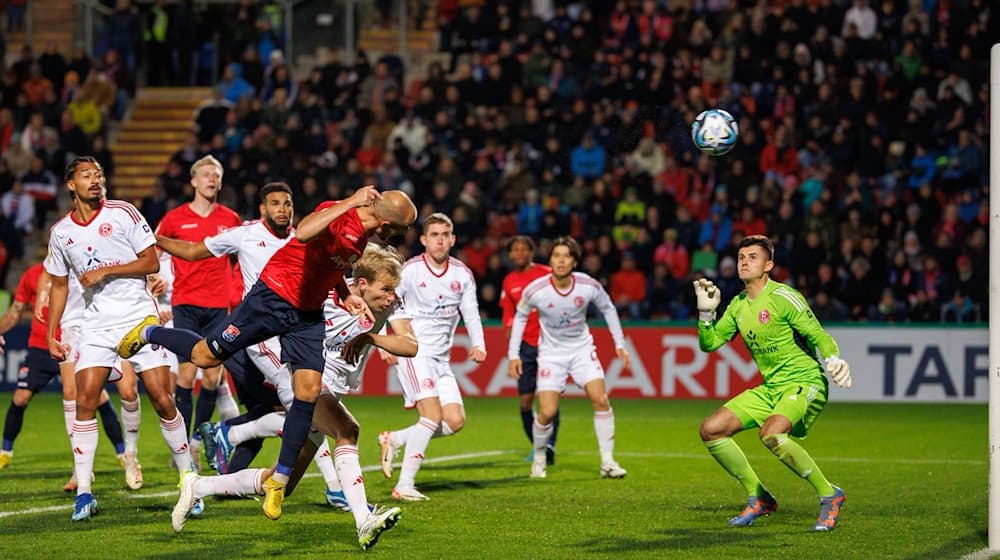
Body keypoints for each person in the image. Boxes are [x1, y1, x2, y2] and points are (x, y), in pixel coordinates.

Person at [120, 185, 417, 520]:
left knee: (305, 392)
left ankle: (277, 480)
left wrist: (344, 293)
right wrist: (350, 201)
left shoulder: (361, 239)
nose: (400, 236)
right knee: (204, 357)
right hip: (272, 298)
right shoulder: (338, 212)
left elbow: (327, 267)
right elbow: (303, 234)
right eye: (401, 229)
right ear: (386, 223)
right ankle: (149, 331)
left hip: (307, 314)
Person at [171, 244, 412, 550]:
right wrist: (281, 371)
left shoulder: (391, 304)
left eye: (394, 290)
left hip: (331, 386)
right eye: (386, 289)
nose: (392, 296)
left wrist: (372, 338)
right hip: (301, 376)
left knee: (282, 485)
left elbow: (410, 345)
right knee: (347, 430)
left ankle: (199, 485)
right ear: (361, 284)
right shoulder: (324, 296)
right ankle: (364, 519)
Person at [158, 181, 349, 509]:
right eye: (275, 203)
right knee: (302, 402)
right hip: (258, 333)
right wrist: (151, 240)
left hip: (293, 331)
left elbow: (326, 271)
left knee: (287, 408)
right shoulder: (243, 234)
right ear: (263, 208)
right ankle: (334, 487)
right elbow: (192, 251)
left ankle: (221, 450)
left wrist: (344, 291)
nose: (282, 209)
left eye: (287, 203)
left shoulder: (302, 236)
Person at [44, 156, 194, 522]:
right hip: (96, 325)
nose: (95, 180)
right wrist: (52, 332)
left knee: (161, 398)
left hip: (137, 317)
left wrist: (108, 270)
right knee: (85, 400)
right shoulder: (61, 233)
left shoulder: (123, 212)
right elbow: (60, 284)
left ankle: (190, 480)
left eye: (99, 175)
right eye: (86, 175)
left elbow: (150, 262)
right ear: (70, 185)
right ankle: (84, 493)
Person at [694, 234, 851, 531]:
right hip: (771, 388)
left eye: (752, 257)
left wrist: (833, 358)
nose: (744, 262)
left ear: (769, 265)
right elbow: (711, 343)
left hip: (805, 380)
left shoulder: (783, 297)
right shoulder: (739, 305)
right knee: (711, 430)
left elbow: (819, 335)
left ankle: (830, 495)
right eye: (741, 257)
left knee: (772, 434)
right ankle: (759, 497)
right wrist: (705, 314)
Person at [377, 213, 486, 501]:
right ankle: (405, 485)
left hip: (441, 359)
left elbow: (471, 312)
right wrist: (385, 344)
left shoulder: (462, 274)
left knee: (454, 420)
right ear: (423, 240)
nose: (439, 240)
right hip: (414, 352)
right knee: (432, 415)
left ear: (453, 239)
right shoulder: (410, 271)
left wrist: (479, 343)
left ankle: (396, 439)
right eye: (434, 235)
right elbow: (384, 303)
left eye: (445, 235)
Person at [507, 236, 630, 480]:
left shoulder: (588, 285)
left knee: (601, 400)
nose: (561, 261)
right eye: (556, 256)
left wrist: (620, 344)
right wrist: (513, 355)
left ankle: (607, 462)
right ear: (550, 260)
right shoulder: (536, 290)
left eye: (566, 256)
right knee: (547, 412)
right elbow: (520, 317)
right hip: (552, 355)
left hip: (582, 350)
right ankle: (540, 457)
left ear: (574, 262)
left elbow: (608, 308)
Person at [0, 262, 128, 483]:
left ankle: (122, 453)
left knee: (95, 397)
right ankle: (5, 452)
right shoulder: (32, 275)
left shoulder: (78, 270)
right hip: (41, 347)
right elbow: (16, 311)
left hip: (70, 342)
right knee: (20, 397)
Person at [154, 155, 242, 468]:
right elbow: (154, 249)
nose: (211, 179)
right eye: (205, 174)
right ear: (193, 181)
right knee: (188, 375)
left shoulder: (230, 218)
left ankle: (194, 442)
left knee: (212, 379)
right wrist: (158, 281)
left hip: (219, 306)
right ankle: (181, 448)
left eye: (216, 175)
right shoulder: (175, 218)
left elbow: (241, 259)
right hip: (186, 303)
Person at [499, 235, 559, 464]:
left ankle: (549, 446)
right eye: (516, 250)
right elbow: (508, 312)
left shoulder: (546, 273)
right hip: (525, 346)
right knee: (525, 401)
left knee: (548, 396)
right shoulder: (509, 280)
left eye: (524, 249)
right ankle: (538, 445)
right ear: (511, 254)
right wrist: (509, 334)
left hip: (549, 343)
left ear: (531, 252)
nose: (520, 253)